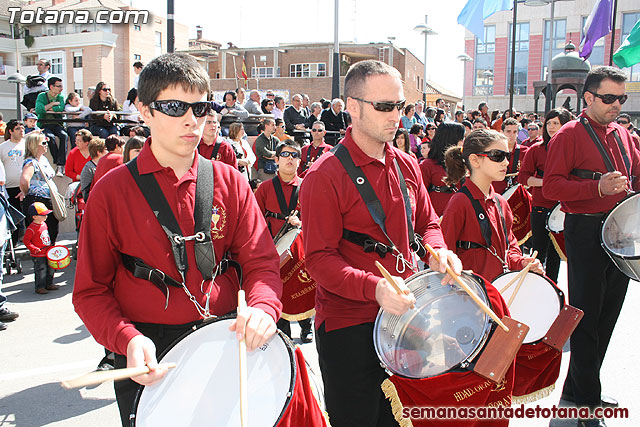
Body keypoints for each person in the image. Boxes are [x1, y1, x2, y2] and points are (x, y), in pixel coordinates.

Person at [72, 53, 283, 426]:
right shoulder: (110, 191)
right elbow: (90, 292)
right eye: (174, 107)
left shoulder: (230, 180)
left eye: (200, 107)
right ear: (144, 110)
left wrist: (264, 308)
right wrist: (126, 340)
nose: (191, 120)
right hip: (147, 352)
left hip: (226, 341)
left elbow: (261, 264)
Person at [299, 59, 462, 426]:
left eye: (400, 106)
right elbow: (319, 260)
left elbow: (427, 223)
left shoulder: (407, 164)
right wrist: (375, 288)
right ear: (352, 108)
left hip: (408, 316)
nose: (396, 116)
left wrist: (440, 250)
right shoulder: (323, 176)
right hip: (349, 326)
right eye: (385, 107)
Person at [543, 66, 640, 426]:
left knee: (608, 315)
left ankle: (580, 389)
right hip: (585, 230)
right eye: (609, 98)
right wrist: (596, 189)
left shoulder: (624, 135)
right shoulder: (568, 134)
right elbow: (551, 187)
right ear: (587, 98)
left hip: (621, 231)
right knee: (586, 317)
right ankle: (586, 401)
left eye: (622, 98)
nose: (616, 105)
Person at [440, 129, 543, 281]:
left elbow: (510, 247)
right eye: (498, 156)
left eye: (507, 156)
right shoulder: (460, 202)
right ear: (474, 160)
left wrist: (522, 262)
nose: (506, 162)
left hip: (499, 289)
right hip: (470, 295)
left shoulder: (501, 202)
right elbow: (445, 253)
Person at [254, 140, 313, 343]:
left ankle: (307, 325)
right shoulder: (265, 188)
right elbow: (255, 219)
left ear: (300, 161)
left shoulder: (307, 186)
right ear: (276, 160)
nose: (290, 159)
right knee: (278, 290)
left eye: (294, 155)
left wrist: (302, 222)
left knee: (304, 287)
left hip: (302, 250)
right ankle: (283, 331)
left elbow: (318, 219)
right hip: (274, 249)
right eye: (285, 155)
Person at [518, 108, 572, 284]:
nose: (551, 127)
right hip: (541, 206)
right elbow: (523, 178)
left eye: (556, 123)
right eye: (549, 123)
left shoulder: (573, 149)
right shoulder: (536, 149)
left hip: (564, 209)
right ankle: (535, 285)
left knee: (556, 255)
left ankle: (553, 287)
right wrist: (547, 182)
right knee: (538, 251)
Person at [19, 133, 59, 245]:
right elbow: (24, 180)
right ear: (35, 145)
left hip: (48, 199)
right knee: (40, 234)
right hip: (38, 201)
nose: (47, 145)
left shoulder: (44, 159)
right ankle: (41, 259)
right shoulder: (31, 162)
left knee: (52, 231)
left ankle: (49, 256)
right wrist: (28, 193)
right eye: (44, 142)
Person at [420, 122, 465, 217]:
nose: (463, 142)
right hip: (436, 217)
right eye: (461, 138)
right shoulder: (428, 165)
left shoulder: (465, 163)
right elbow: (420, 195)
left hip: (459, 214)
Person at [35, 77, 68, 176]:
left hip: (57, 123)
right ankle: (58, 161)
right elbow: (39, 110)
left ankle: (60, 164)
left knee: (64, 135)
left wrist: (48, 108)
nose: (61, 89)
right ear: (51, 87)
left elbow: (61, 108)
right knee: (49, 137)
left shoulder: (61, 97)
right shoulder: (41, 96)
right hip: (44, 123)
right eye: (59, 86)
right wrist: (53, 104)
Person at [0, 120, 26, 245]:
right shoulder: (3, 147)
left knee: (30, 217)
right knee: (13, 218)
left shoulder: (27, 145)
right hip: (10, 188)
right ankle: (13, 244)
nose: (21, 130)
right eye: (17, 128)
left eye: (22, 128)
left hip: (26, 187)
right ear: (10, 131)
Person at [23, 202, 58, 294]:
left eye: (46, 214)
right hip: (38, 254)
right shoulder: (31, 228)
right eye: (43, 215)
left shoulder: (44, 224)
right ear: (34, 217)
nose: (45, 216)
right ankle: (40, 286)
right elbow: (26, 241)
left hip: (47, 251)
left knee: (51, 268)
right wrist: (33, 248)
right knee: (41, 270)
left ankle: (49, 284)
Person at [492, 117, 529, 195]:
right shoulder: (493, 152)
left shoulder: (526, 152)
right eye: (508, 131)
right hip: (498, 194)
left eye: (515, 132)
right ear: (501, 132)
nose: (512, 135)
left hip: (519, 195)